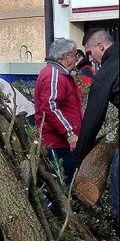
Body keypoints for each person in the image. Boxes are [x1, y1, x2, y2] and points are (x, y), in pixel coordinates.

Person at [75, 28, 119, 221]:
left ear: (101, 46)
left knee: (117, 177)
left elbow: (93, 120)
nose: (90, 59)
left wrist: (80, 157)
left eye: (90, 52)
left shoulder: (106, 73)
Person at [34, 37, 82, 185]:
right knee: (66, 188)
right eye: (75, 55)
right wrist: (69, 133)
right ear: (66, 56)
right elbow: (50, 106)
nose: (77, 59)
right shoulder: (53, 74)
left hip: (62, 143)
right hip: (56, 143)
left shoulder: (60, 74)